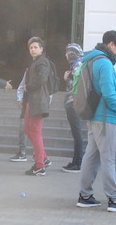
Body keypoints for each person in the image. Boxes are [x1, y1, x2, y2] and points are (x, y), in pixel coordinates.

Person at [75, 29, 116, 212]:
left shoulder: (90, 59)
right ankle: (113, 199)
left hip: (94, 116)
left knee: (91, 157)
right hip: (107, 117)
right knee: (110, 158)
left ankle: (85, 195)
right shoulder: (104, 63)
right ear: (112, 44)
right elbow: (109, 93)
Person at [21, 36, 55, 177]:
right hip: (33, 101)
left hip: (38, 101)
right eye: (31, 48)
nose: (33, 49)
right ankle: (43, 158)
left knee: (34, 131)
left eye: (36, 47)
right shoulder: (37, 62)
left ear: (41, 49)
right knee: (28, 130)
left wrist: (28, 86)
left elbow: (42, 78)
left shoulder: (42, 62)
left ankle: (40, 166)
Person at [62, 43, 88, 172]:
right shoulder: (76, 65)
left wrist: (66, 79)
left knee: (77, 134)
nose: (66, 55)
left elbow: (76, 86)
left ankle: (78, 162)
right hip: (72, 103)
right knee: (76, 133)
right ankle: (75, 161)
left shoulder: (77, 65)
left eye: (68, 52)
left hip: (74, 103)